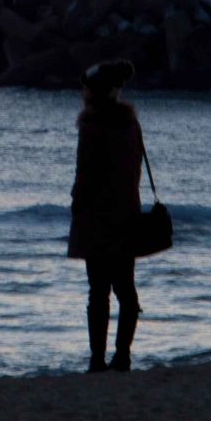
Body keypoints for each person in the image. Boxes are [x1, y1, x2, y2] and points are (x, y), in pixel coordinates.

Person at [67, 60, 146, 373]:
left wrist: (77, 205)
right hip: (127, 212)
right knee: (125, 288)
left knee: (98, 291)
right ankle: (123, 355)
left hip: (97, 218)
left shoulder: (91, 126)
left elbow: (84, 175)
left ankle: (97, 359)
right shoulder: (130, 124)